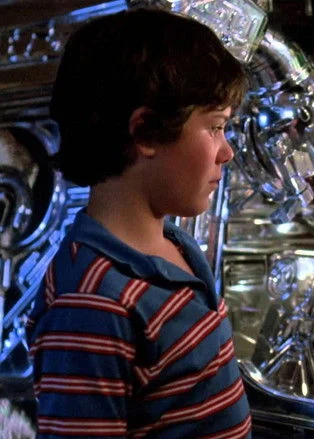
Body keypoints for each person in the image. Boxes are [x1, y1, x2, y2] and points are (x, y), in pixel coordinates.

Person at [26, 8, 251, 438]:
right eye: (215, 127)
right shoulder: (91, 302)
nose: (227, 152)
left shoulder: (176, 245)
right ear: (146, 132)